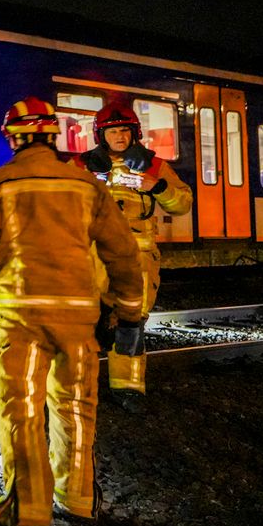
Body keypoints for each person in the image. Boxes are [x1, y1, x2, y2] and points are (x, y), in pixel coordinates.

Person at [0, 97, 143, 526]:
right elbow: (123, 252)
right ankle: (78, 500)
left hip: (23, 317)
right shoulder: (86, 186)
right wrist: (129, 310)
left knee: (23, 409)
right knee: (76, 407)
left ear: (13, 137)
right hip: (78, 318)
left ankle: (29, 510)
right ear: (54, 136)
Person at [73, 102, 193, 398]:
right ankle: (76, 387)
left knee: (131, 324)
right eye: (112, 131)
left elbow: (183, 204)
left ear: (134, 133)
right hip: (91, 257)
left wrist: (157, 186)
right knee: (80, 325)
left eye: (125, 130)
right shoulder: (81, 166)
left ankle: (127, 390)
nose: (120, 136)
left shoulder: (154, 166)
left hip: (137, 258)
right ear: (101, 135)